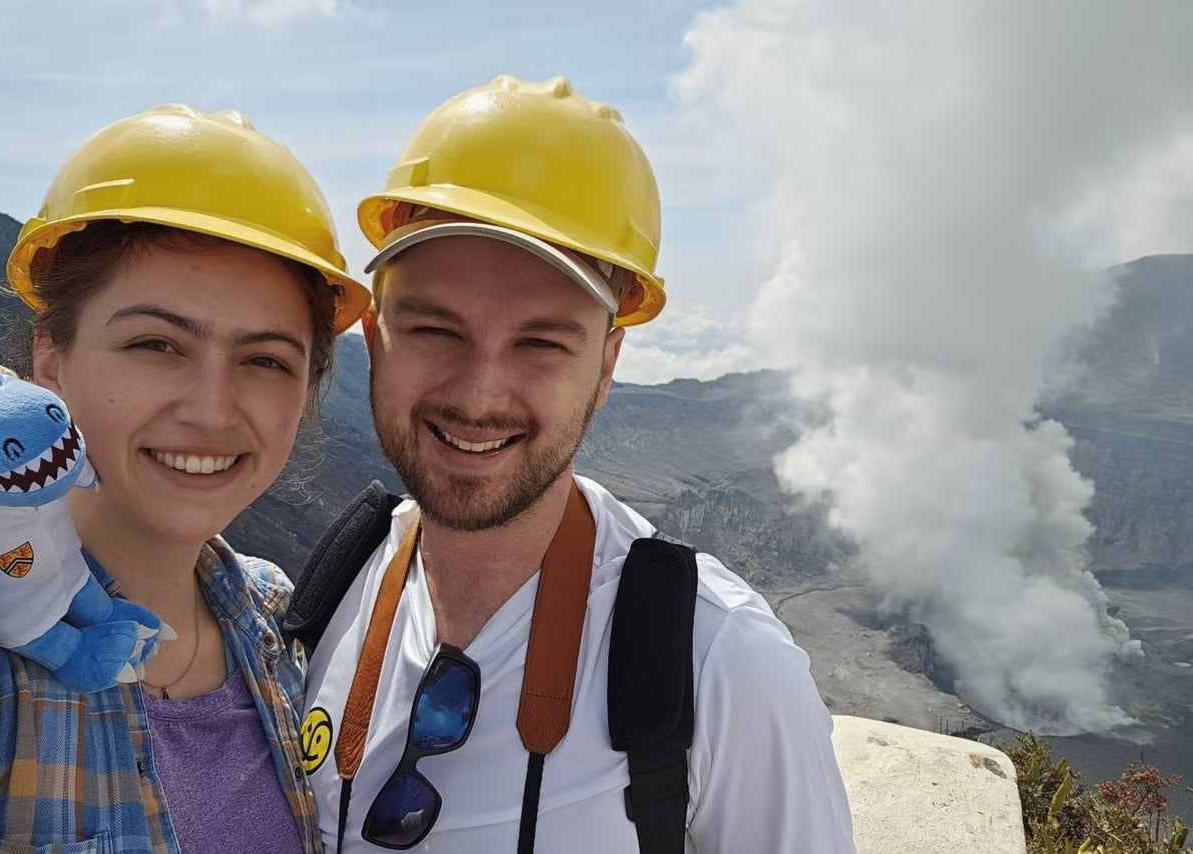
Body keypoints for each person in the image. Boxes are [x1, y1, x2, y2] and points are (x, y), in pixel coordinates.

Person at [301, 76, 856, 853]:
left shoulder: (721, 663)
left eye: (540, 342)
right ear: (376, 334)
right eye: (434, 328)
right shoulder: (331, 593)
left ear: (606, 364)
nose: (477, 393)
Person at [0, 104, 370, 853]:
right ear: (50, 361)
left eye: (264, 360)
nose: (211, 409)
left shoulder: (281, 626)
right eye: (155, 343)